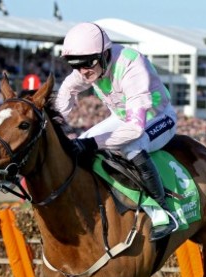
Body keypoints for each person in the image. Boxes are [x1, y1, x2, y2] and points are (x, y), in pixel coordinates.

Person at [55, 22, 178, 241]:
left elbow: (133, 129)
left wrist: (95, 143)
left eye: (87, 65)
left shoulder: (131, 65)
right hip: (123, 119)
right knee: (81, 141)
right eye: (77, 66)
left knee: (130, 145)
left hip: (158, 118)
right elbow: (66, 88)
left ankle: (163, 212)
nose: (83, 72)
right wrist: (57, 116)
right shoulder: (90, 63)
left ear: (104, 54)